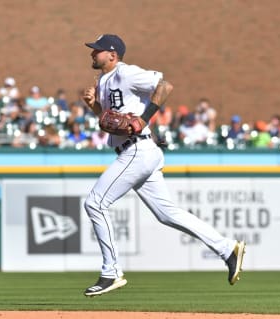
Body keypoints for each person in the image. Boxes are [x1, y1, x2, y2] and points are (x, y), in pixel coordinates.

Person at [82, 34, 245, 297]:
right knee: (166, 213)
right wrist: (93, 106)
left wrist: (145, 119)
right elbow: (109, 121)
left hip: (137, 149)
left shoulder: (127, 73)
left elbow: (165, 86)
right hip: (137, 149)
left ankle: (111, 272)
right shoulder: (103, 81)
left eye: (97, 50)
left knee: (95, 203)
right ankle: (227, 248)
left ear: (112, 54)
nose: (92, 54)